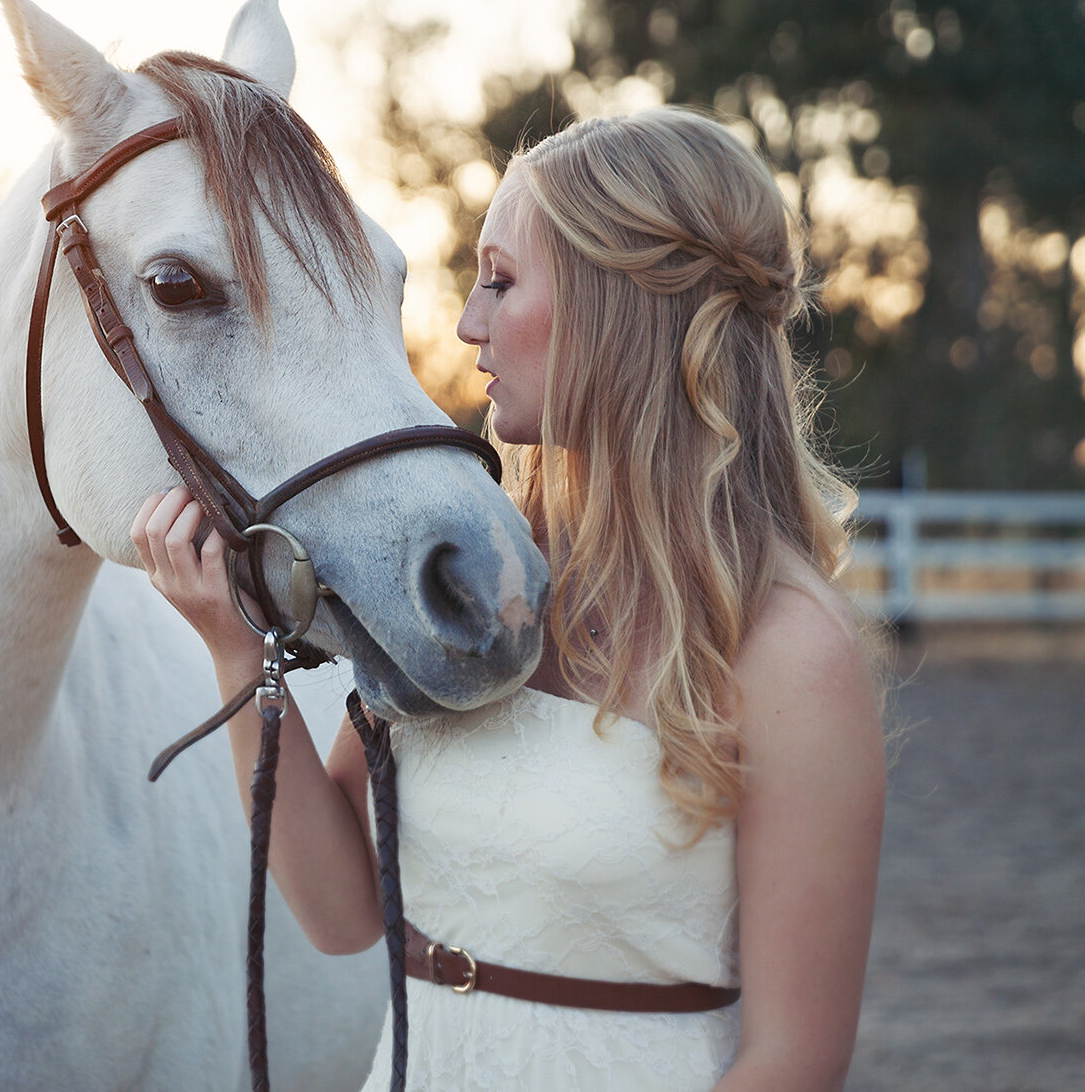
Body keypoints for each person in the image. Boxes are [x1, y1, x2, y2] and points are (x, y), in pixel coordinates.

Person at [131, 105, 886, 1091]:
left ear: (617, 301)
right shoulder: (473, 586)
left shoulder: (789, 652)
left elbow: (794, 1060)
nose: (466, 322)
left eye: (500, 278)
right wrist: (237, 654)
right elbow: (337, 912)